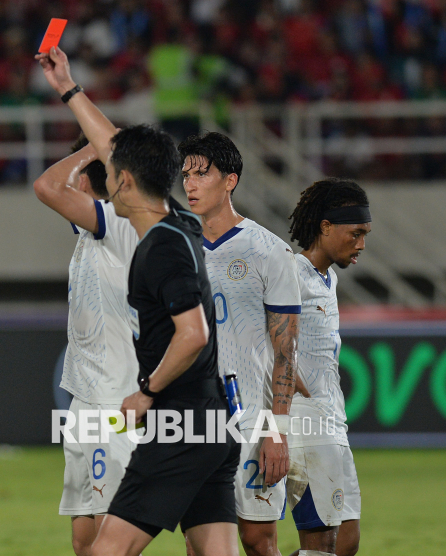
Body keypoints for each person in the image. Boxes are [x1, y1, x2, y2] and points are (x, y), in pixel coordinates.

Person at [36, 45, 240, 556]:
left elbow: (192, 333)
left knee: (106, 549)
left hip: (175, 418)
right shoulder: (181, 225)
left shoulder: (153, 243)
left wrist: (147, 390)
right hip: (211, 420)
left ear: (122, 180)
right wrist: (68, 88)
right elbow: (115, 148)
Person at [178, 132, 301, 556]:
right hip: (194, 420)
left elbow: (285, 351)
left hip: (253, 418)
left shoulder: (269, 251)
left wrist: (278, 431)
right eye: (185, 175)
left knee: (257, 540)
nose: (189, 185)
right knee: (201, 543)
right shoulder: (177, 247)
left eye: (201, 174)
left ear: (230, 180)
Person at [33, 134, 139, 556]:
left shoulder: (118, 224)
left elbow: (46, 187)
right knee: (83, 539)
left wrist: (94, 148)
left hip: (115, 401)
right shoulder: (90, 231)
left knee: (109, 540)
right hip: (85, 400)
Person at [285, 178, 370, 556]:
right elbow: (254, 332)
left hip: (331, 419)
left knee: (346, 539)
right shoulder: (289, 273)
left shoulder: (328, 278)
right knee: (321, 542)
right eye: (355, 233)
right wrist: (285, 372)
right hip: (304, 423)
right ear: (325, 227)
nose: (361, 244)